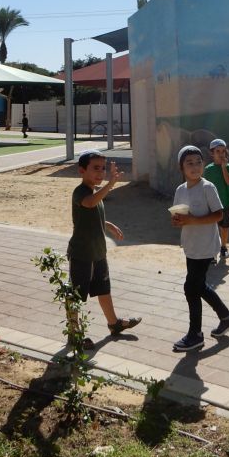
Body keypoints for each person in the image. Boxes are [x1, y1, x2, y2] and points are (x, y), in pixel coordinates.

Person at [66, 150, 141, 350]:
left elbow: (92, 214)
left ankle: (113, 323)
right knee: (75, 294)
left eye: (103, 168)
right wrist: (110, 184)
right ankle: (74, 334)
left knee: (103, 290)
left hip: (98, 252)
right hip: (82, 254)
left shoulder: (94, 193)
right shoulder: (81, 192)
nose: (100, 173)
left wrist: (108, 224)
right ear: (82, 170)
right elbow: (89, 204)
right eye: (95, 168)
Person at [170, 145, 229, 352]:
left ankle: (196, 335)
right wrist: (178, 221)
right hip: (190, 245)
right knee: (198, 286)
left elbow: (219, 215)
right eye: (189, 163)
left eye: (198, 162)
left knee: (191, 287)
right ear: (181, 168)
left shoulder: (208, 187)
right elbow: (179, 215)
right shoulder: (180, 190)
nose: (195, 166)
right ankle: (227, 317)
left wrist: (193, 220)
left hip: (206, 246)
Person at [204, 138, 229, 260]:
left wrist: (223, 167)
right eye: (218, 151)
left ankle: (224, 248)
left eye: (223, 151)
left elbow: (228, 182)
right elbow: (205, 187)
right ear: (212, 153)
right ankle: (212, 253)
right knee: (211, 229)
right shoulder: (208, 169)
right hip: (212, 204)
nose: (221, 154)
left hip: (226, 202)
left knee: (225, 228)